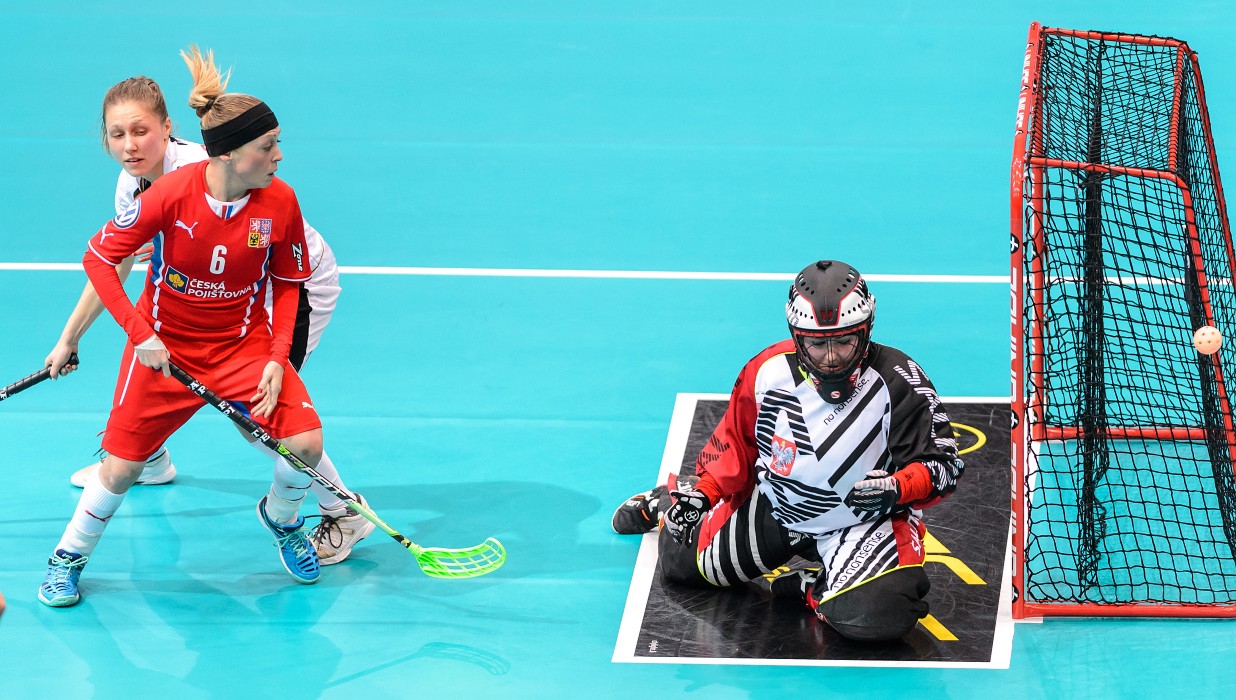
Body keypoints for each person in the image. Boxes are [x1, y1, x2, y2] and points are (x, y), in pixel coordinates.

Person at [38, 47, 361, 607]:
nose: (129, 145)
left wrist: (276, 358)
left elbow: (287, 282)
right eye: (117, 135)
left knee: (288, 436)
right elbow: (105, 262)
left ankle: (302, 516)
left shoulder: (274, 198)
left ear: (170, 131)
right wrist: (123, 336)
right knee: (118, 468)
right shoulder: (154, 190)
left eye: (140, 131)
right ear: (231, 153)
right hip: (175, 339)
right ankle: (71, 552)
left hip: (257, 322)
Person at [611, 260, 964, 642]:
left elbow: (943, 466)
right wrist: (704, 493)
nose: (831, 357)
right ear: (797, 337)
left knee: (880, 617)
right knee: (680, 564)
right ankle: (666, 500)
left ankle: (809, 588)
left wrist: (897, 487)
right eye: (817, 343)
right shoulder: (766, 371)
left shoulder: (899, 379)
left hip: (861, 521)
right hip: (776, 506)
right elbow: (736, 448)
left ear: (866, 331)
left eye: (844, 342)